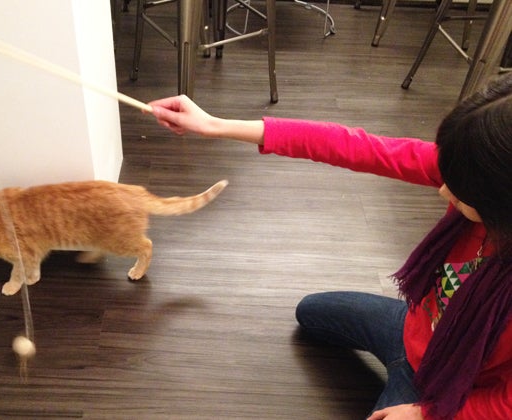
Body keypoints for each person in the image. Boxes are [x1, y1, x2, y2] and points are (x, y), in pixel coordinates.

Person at [146, 72, 512, 420]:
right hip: (415, 329)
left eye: (460, 192)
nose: (444, 190)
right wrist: (215, 125)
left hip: (451, 389)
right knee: (310, 312)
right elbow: (352, 146)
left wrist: (424, 414)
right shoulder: (474, 171)